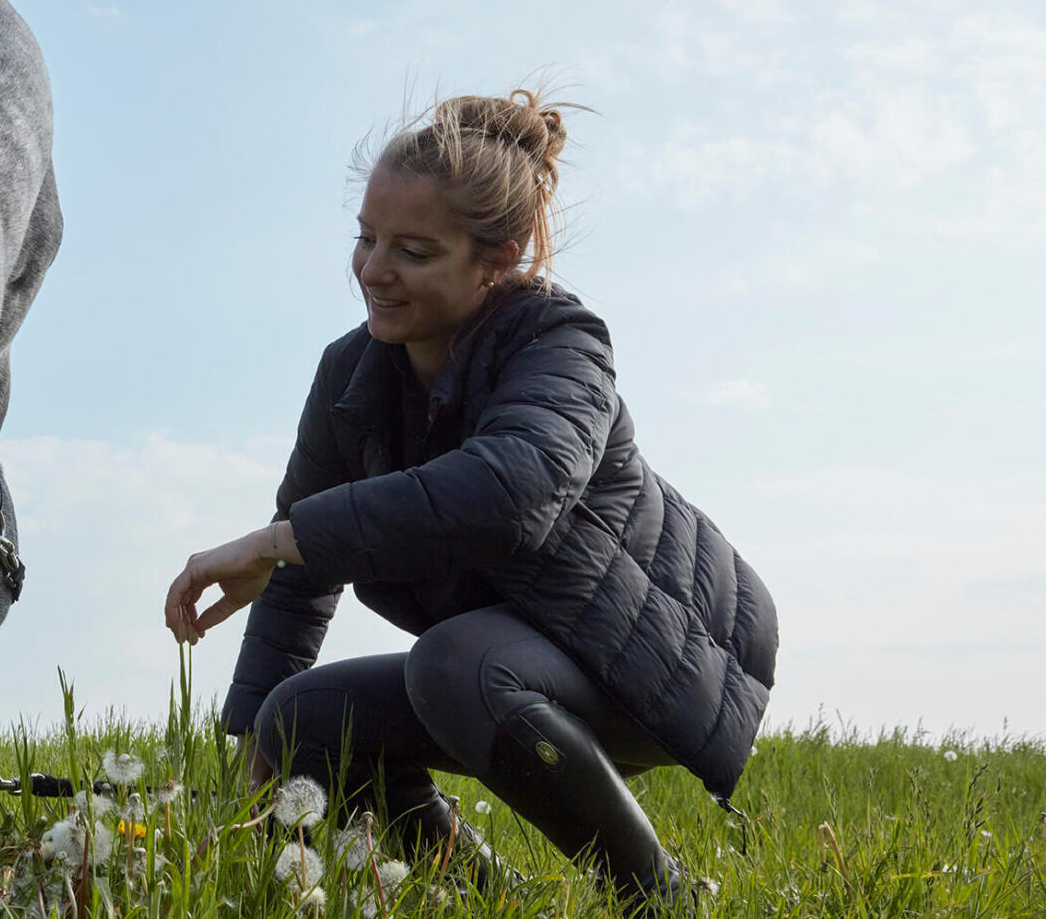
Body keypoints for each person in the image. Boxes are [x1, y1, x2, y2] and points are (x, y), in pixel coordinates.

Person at [163, 88, 778, 914]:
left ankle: (663, 900)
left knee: (453, 662)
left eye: (414, 251)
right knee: (299, 718)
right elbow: (303, 578)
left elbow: (509, 493)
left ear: (501, 253)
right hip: (507, 664)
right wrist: (249, 754)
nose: (374, 269)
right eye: (366, 237)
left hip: (661, 653)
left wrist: (276, 540)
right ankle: (486, 894)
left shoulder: (561, 343)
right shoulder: (350, 375)